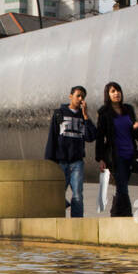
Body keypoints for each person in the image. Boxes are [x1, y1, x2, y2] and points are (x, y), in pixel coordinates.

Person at [43, 85, 96, 217]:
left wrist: (85, 116)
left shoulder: (83, 117)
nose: (80, 99)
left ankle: (77, 223)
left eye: (82, 97)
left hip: (76, 162)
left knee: (77, 195)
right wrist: (49, 161)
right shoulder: (59, 113)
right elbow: (53, 137)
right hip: (61, 162)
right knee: (57, 194)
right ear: (70, 96)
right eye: (78, 96)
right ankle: (58, 218)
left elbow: (91, 136)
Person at [94, 81, 138, 217]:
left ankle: (116, 212)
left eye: (118, 91)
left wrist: (137, 128)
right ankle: (126, 215)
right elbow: (100, 137)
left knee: (122, 186)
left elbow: (135, 135)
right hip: (116, 156)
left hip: (130, 153)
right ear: (108, 94)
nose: (116, 94)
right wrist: (101, 158)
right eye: (113, 91)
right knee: (122, 187)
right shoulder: (104, 113)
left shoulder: (128, 109)